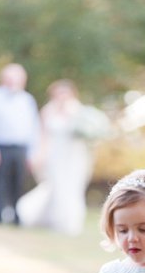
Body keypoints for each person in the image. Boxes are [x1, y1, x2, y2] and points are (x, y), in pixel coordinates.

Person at [19, 80, 109, 236]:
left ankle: (70, 222)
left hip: (75, 156)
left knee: (73, 187)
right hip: (55, 156)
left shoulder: (79, 111)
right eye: (58, 93)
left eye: (64, 93)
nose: (61, 96)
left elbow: (90, 134)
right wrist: (38, 156)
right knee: (56, 187)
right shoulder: (48, 110)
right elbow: (43, 136)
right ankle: (53, 220)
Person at [0, 63, 40, 225]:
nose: (13, 81)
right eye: (10, 77)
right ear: (2, 79)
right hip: (0, 147)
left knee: (18, 182)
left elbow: (33, 128)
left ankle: (17, 215)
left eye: (17, 78)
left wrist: (32, 153)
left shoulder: (27, 100)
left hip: (21, 148)